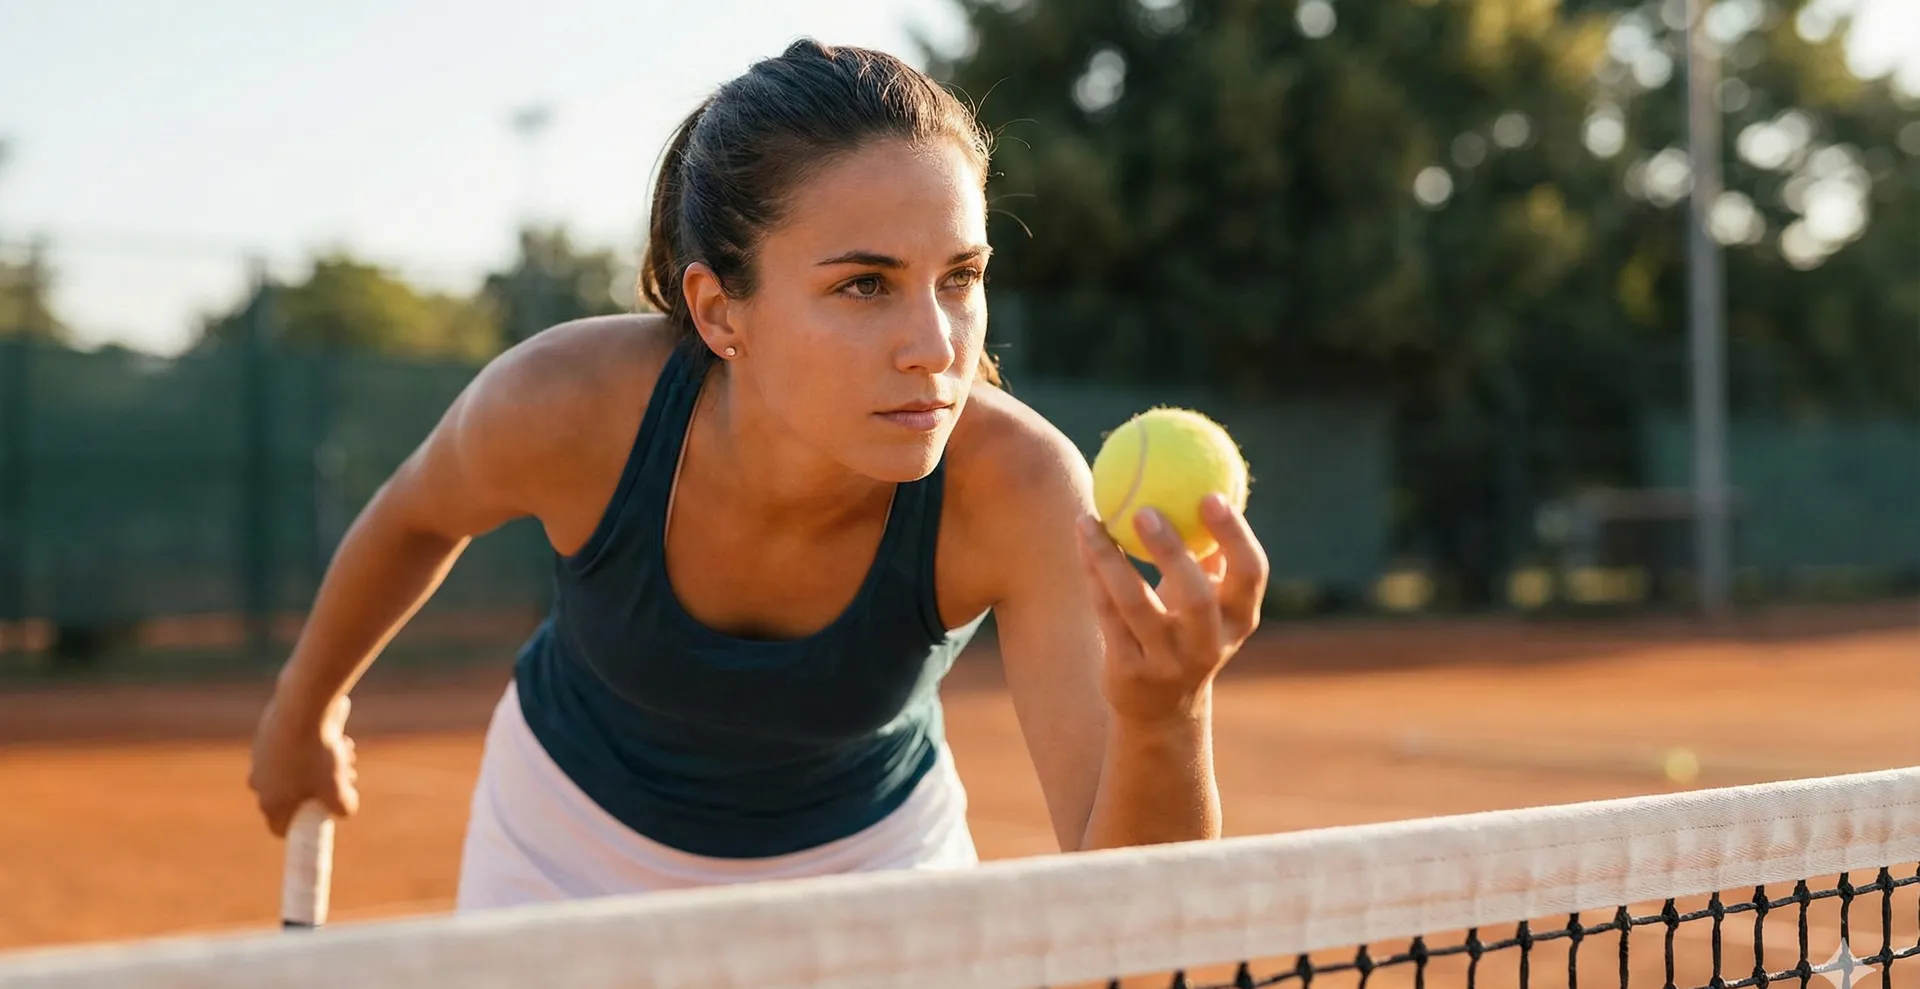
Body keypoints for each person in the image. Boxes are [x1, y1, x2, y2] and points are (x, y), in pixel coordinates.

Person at [247, 39, 1270, 909]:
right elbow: (414, 514)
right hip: (562, 847)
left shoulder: (1021, 486)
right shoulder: (565, 403)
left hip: (873, 863)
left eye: (960, 277)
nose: (934, 345)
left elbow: (1142, 929)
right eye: (865, 284)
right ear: (718, 309)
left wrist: (1163, 716)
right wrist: (304, 711)